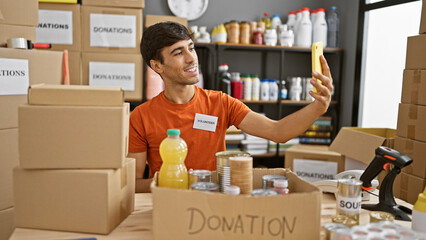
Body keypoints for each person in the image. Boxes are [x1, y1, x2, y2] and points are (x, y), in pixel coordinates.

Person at [129, 21, 333, 179]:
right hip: (169, 203)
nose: (192, 58)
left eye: (191, 48)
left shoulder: (221, 103)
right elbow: (135, 183)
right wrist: (180, 182)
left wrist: (317, 107)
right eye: (179, 52)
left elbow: (277, 132)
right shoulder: (141, 116)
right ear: (157, 66)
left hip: (216, 201)